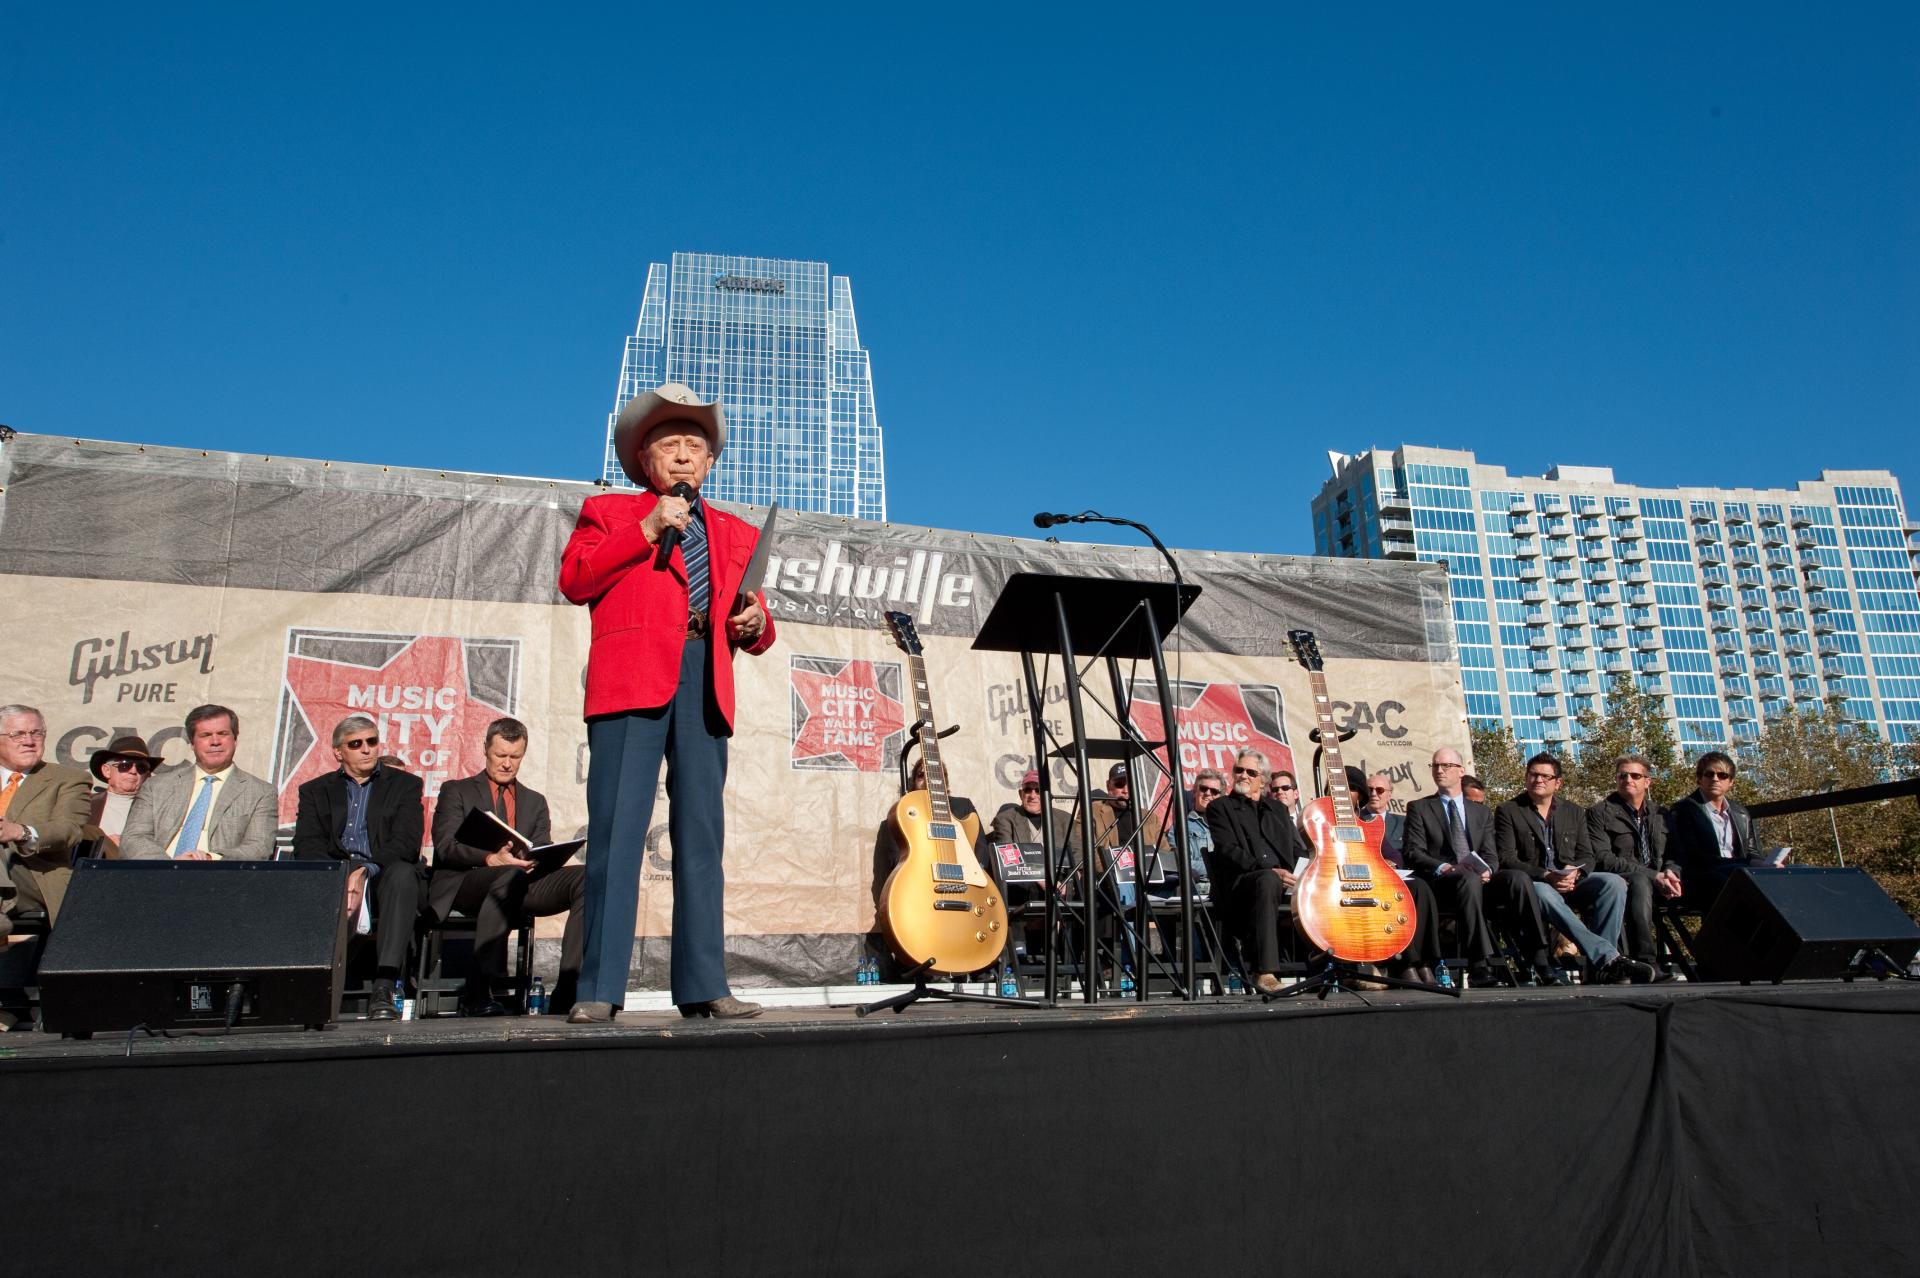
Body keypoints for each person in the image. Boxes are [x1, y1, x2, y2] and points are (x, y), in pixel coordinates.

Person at [559, 382, 776, 1024]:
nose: (684, 456)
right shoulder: (608, 512)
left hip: (704, 678)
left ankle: (705, 985)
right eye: (669, 445)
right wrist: (646, 528)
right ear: (644, 459)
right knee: (617, 834)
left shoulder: (736, 531)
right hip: (631, 677)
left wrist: (755, 623)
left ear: (710, 461)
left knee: (701, 839)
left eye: (695, 446)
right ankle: (599, 989)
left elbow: (757, 619)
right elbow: (575, 580)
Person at [429, 717, 585, 1016]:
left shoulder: (535, 801)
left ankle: (568, 987)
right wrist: (491, 859)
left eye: (515, 757)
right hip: (467, 881)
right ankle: (477, 990)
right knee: (507, 874)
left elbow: (541, 844)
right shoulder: (457, 790)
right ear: (485, 749)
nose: (506, 764)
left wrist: (538, 859)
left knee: (587, 877)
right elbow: (446, 846)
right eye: (500, 755)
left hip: (520, 879)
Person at [294, 715, 428, 1021]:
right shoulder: (315, 790)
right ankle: (311, 986)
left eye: (372, 741)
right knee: (307, 880)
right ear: (338, 752)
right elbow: (308, 845)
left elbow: (406, 843)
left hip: (383, 873)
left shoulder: (405, 785)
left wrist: (365, 871)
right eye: (356, 744)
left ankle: (385, 986)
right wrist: (343, 876)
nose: (367, 749)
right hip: (338, 873)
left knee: (403, 874)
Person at [1493, 753, 1653, 984]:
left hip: (1572, 881)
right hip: (1537, 883)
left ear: (1558, 782)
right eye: (1533, 775)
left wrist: (1576, 872)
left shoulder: (1574, 811)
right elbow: (1507, 858)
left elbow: (1587, 855)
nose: (1538, 780)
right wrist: (1546, 875)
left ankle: (1599, 969)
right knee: (1542, 890)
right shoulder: (1508, 810)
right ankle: (1609, 959)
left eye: (1545, 776)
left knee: (1614, 883)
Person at [1401, 747, 1550, 987]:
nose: (1439, 770)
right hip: (1443, 884)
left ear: (1461, 771)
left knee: (1518, 878)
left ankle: (1541, 960)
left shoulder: (1480, 811)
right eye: (1435, 765)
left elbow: (1491, 853)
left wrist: (1488, 870)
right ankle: (1479, 964)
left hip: (1480, 881)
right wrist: (1445, 867)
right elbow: (1413, 852)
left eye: (1446, 765)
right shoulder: (1420, 808)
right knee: (1467, 879)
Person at [1204, 749, 1306, 994]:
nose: (1243, 775)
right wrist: (1270, 871)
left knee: (1326, 882)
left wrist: (1307, 870)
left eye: (1251, 772)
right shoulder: (1220, 807)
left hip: (1282, 881)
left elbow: (1294, 848)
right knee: (1268, 879)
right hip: (1241, 884)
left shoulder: (1277, 810)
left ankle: (1345, 968)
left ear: (1263, 780)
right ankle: (1265, 972)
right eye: (1239, 770)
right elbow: (1228, 850)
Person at [120, 705, 278, 862]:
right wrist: (170, 865)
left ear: (235, 739)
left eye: (222, 734)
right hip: (158, 871)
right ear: (192, 743)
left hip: (217, 874)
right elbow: (133, 838)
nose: (215, 741)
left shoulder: (260, 792)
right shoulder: (155, 786)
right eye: (205, 735)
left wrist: (210, 859)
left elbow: (259, 847)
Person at [1587, 754, 1682, 974]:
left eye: (1635, 775)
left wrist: (1671, 872)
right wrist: (1654, 876)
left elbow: (1677, 853)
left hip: (1663, 883)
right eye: (1622, 776)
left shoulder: (1662, 814)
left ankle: (1718, 962)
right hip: (1623, 881)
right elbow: (1603, 858)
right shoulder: (1598, 813)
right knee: (1640, 882)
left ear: (1647, 781)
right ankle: (1645, 961)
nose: (1628, 779)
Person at [0, 704, 94, 924]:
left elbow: (69, 829)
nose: (29, 741)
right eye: (18, 734)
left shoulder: (68, 779)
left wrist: (20, 832)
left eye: (36, 733)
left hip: (34, 874)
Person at [1353, 767, 1440, 985]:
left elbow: (1404, 853)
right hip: (1371, 879)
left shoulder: (1403, 821)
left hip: (1398, 874)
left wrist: (1395, 864)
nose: (1374, 794)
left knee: (1421, 888)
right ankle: (1405, 964)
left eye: (1380, 790)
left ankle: (1425, 962)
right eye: (1369, 789)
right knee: (1394, 894)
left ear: (1389, 794)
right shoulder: (1355, 819)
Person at [1666, 751, 1757, 913]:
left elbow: (1752, 851)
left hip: (1739, 871)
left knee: (1792, 873)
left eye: (1722, 775)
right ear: (1699, 779)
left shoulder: (1741, 812)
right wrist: (1744, 864)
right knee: (1732, 882)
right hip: (1701, 876)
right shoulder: (1684, 810)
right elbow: (1693, 857)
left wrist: (1767, 864)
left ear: (1731, 782)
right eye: (1709, 774)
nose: (1715, 779)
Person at [83, 735, 160, 855]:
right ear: (107, 770)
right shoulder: (85, 804)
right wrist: (105, 842)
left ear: (147, 775)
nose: (133, 771)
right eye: (124, 765)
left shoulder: (157, 808)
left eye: (141, 767)